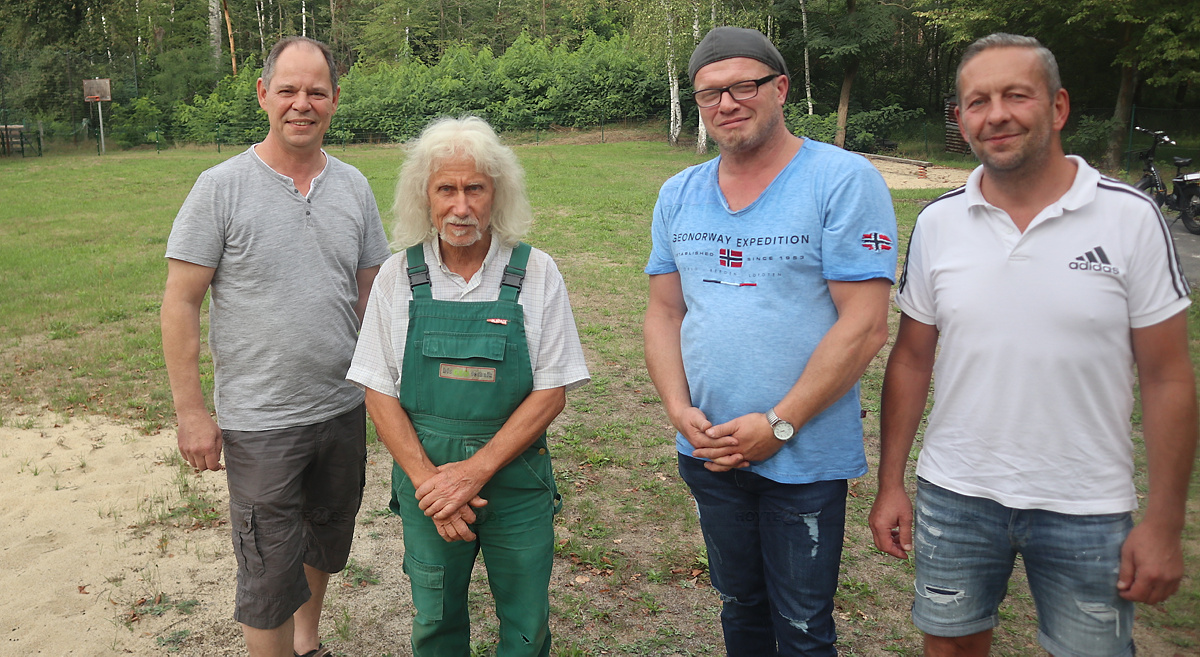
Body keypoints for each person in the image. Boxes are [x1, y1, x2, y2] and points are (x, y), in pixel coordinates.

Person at [869, 33, 1197, 657]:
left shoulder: (1129, 218)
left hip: (1086, 502)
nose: (996, 114)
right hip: (956, 493)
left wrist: (1163, 522)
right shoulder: (939, 223)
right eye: (976, 101)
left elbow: (1168, 377)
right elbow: (912, 358)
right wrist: (892, 482)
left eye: (1016, 95)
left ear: (1057, 107)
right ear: (961, 118)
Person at [644, 26, 898, 655]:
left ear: (781, 88)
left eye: (742, 87)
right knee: (739, 608)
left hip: (803, 456)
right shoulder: (679, 193)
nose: (725, 104)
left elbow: (865, 325)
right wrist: (680, 413)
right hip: (710, 448)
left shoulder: (841, 180)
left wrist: (779, 425)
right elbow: (662, 311)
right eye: (708, 94)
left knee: (804, 627)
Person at [161, 36, 391, 657]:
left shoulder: (354, 187)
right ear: (263, 94)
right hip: (261, 420)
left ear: (335, 101)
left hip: (343, 407)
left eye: (316, 91)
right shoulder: (220, 187)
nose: (302, 104)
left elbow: (375, 294)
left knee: (323, 540)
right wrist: (191, 412)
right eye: (287, 90)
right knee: (267, 566)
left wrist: (394, 385)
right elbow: (180, 301)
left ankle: (308, 643)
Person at [346, 116, 589, 656]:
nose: (461, 206)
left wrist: (473, 472)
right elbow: (377, 390)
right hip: (426, 484)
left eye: (474, 188)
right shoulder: (396, 277)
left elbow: (551, 389)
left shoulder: (537, 272)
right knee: (434, 619)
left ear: (495, 194)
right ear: (424, 197)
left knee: (526, 622)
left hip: (516, 482)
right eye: (446, 189)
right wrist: (432, 486)